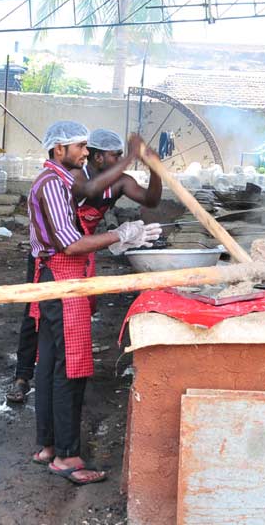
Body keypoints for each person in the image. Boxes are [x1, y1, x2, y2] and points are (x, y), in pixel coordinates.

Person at [26, 120, 160, 484]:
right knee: (70, 369)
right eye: (80, 147)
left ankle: (48, 446)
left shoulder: (59, 180)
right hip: (63, 279)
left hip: (56, 278)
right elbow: (70, 244)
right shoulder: (53, 184)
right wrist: (121, 234)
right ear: (59, 150)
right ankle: (67, 456)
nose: (85, 153)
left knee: (51, 364)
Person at [5, 129, 161, 404]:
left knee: (78, 310)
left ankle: (65, 370)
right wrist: (133, 157)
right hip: (54, 254)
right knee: (35, 315)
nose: (86, 153)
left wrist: (156, 169)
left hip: (82, 250)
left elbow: (151, 200)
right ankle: (23, 375)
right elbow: (89, 191)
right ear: (100, 158)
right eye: (116, 155)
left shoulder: (121, 182)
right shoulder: (77, 177)